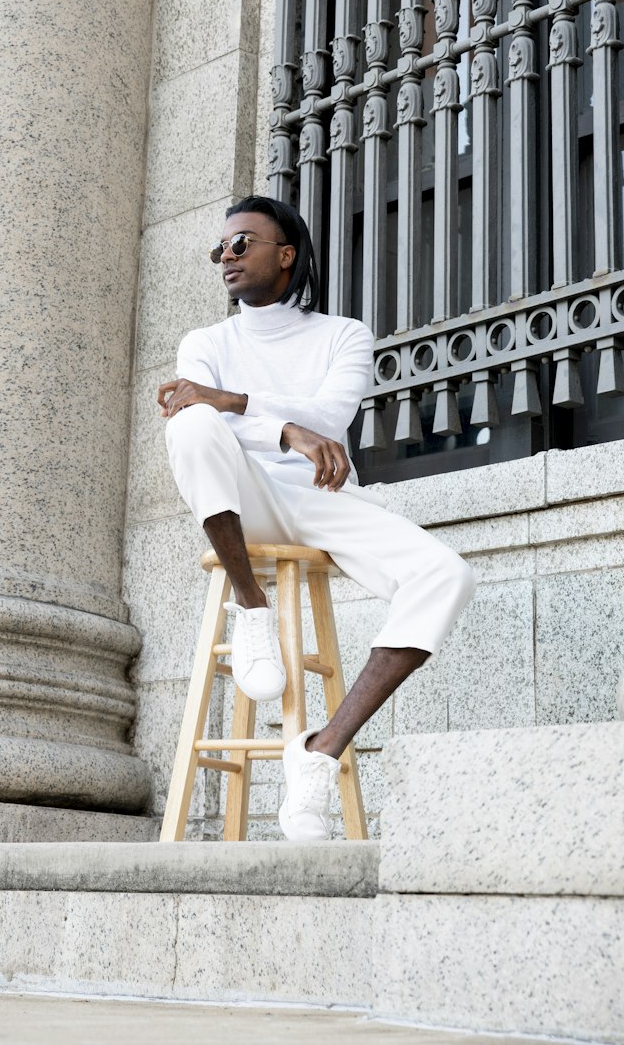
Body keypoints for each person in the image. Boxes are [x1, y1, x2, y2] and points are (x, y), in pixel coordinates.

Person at [158, 195, 475, 842]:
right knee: (191, 425)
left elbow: (331, 422)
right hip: (241, 503)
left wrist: (233, 401)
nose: (227, 256)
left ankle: (322, 749)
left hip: (321, 498)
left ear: (286, 253)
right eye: (220, 247)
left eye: (243, 243)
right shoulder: (206, 342)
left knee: (446, 575)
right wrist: (281, 427)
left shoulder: (342, 335)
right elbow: (202, 424)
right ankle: (252, 607)